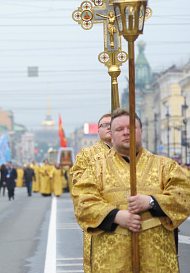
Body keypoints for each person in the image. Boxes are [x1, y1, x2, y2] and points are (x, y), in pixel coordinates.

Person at [72, 109, 190, 272]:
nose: (126, 133)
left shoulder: (166, 166)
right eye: (119, 129)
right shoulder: (96, 169)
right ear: (112, 135)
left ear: (140, 132)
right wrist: (116, 216)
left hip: (157, 259)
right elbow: (82, 202)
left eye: (131, 128)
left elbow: (184, 195)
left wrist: (151, 202)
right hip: (111, 261)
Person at [70, 112, 112, 273]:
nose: (108, 127)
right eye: (104, 125)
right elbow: (79, 183)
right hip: (101, 216)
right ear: (98, 131)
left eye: (111, 124)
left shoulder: (130, 151)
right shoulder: (87, 154)